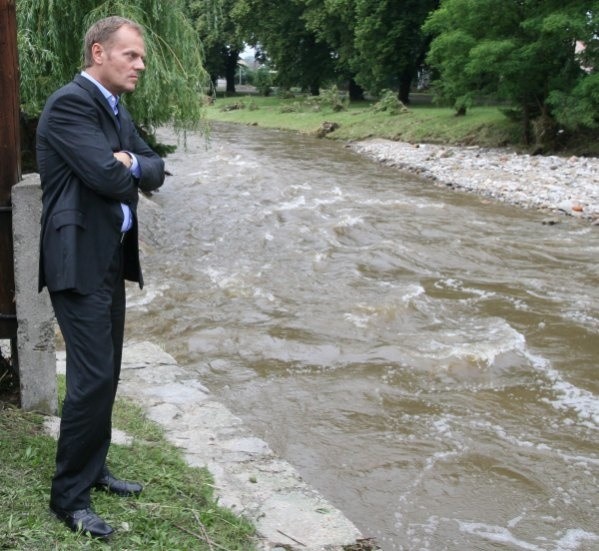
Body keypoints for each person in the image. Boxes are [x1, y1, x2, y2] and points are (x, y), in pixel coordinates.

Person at [36, 16, 165, 539]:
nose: (140, 66)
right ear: (98, 52)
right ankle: (69, 497)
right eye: (131, 56)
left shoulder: (114, 107)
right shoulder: (71, 103)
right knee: (90, 381)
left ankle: (96, 468)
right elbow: (107, 176)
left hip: (109, 256)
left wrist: (130, 158)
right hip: (78, 257)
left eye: (141, 58)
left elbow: (154, 168)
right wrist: (128, 167)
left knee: (107, 373)